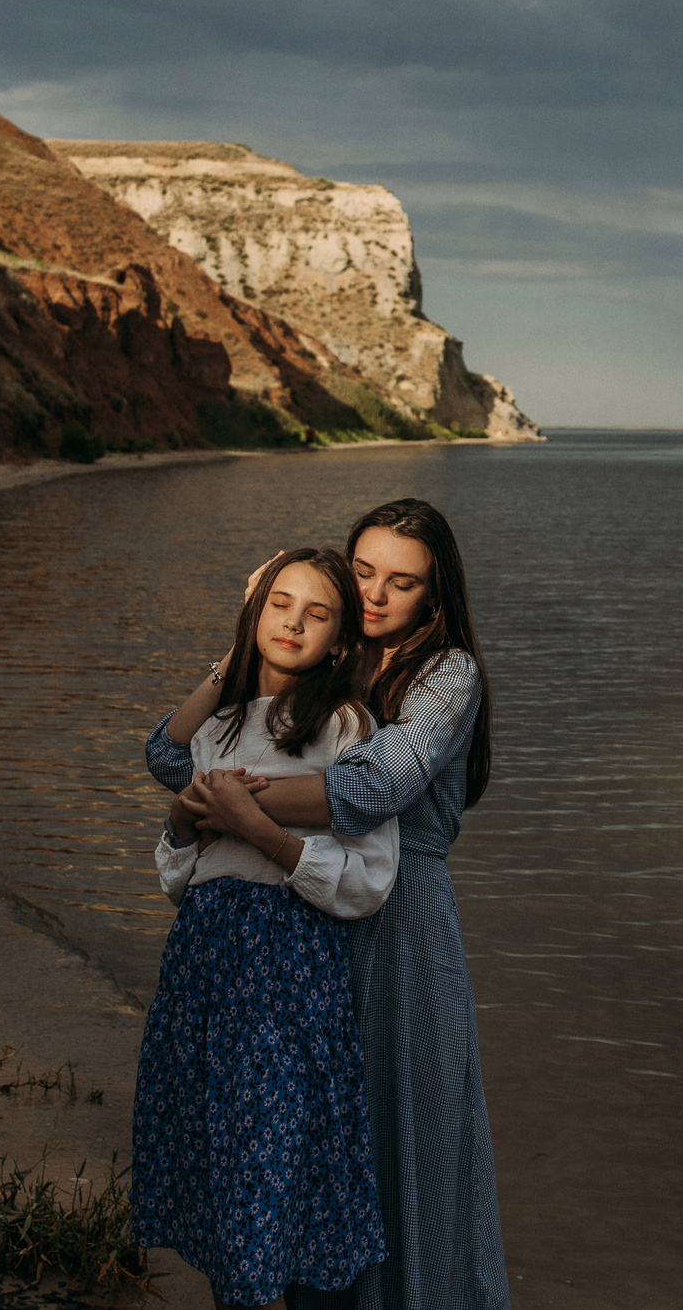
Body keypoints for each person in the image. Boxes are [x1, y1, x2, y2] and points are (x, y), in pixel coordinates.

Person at [150, 500, 511, 1310]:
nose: (377, 594)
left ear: (435, 596)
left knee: (412, 1136)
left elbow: (372, 785)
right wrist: (251, 630)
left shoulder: (448, 672)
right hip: (307, 930)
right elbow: (172, 756)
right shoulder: (332, 660)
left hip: (405, 920)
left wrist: (240, 804)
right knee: (316, 1157)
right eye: (364, 571)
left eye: (403, 582)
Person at [132, 549, 393, 1310]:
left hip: (286, 975)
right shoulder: (215, 727)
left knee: (265, 1189)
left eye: (318, 612)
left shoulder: (347, 727)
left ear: (341, 643)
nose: (293, 621)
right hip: (202, 972)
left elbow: (369, 880)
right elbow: (177, 844)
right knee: (220, 1194)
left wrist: (262, 828)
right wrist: (183, 822)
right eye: (279, 602)